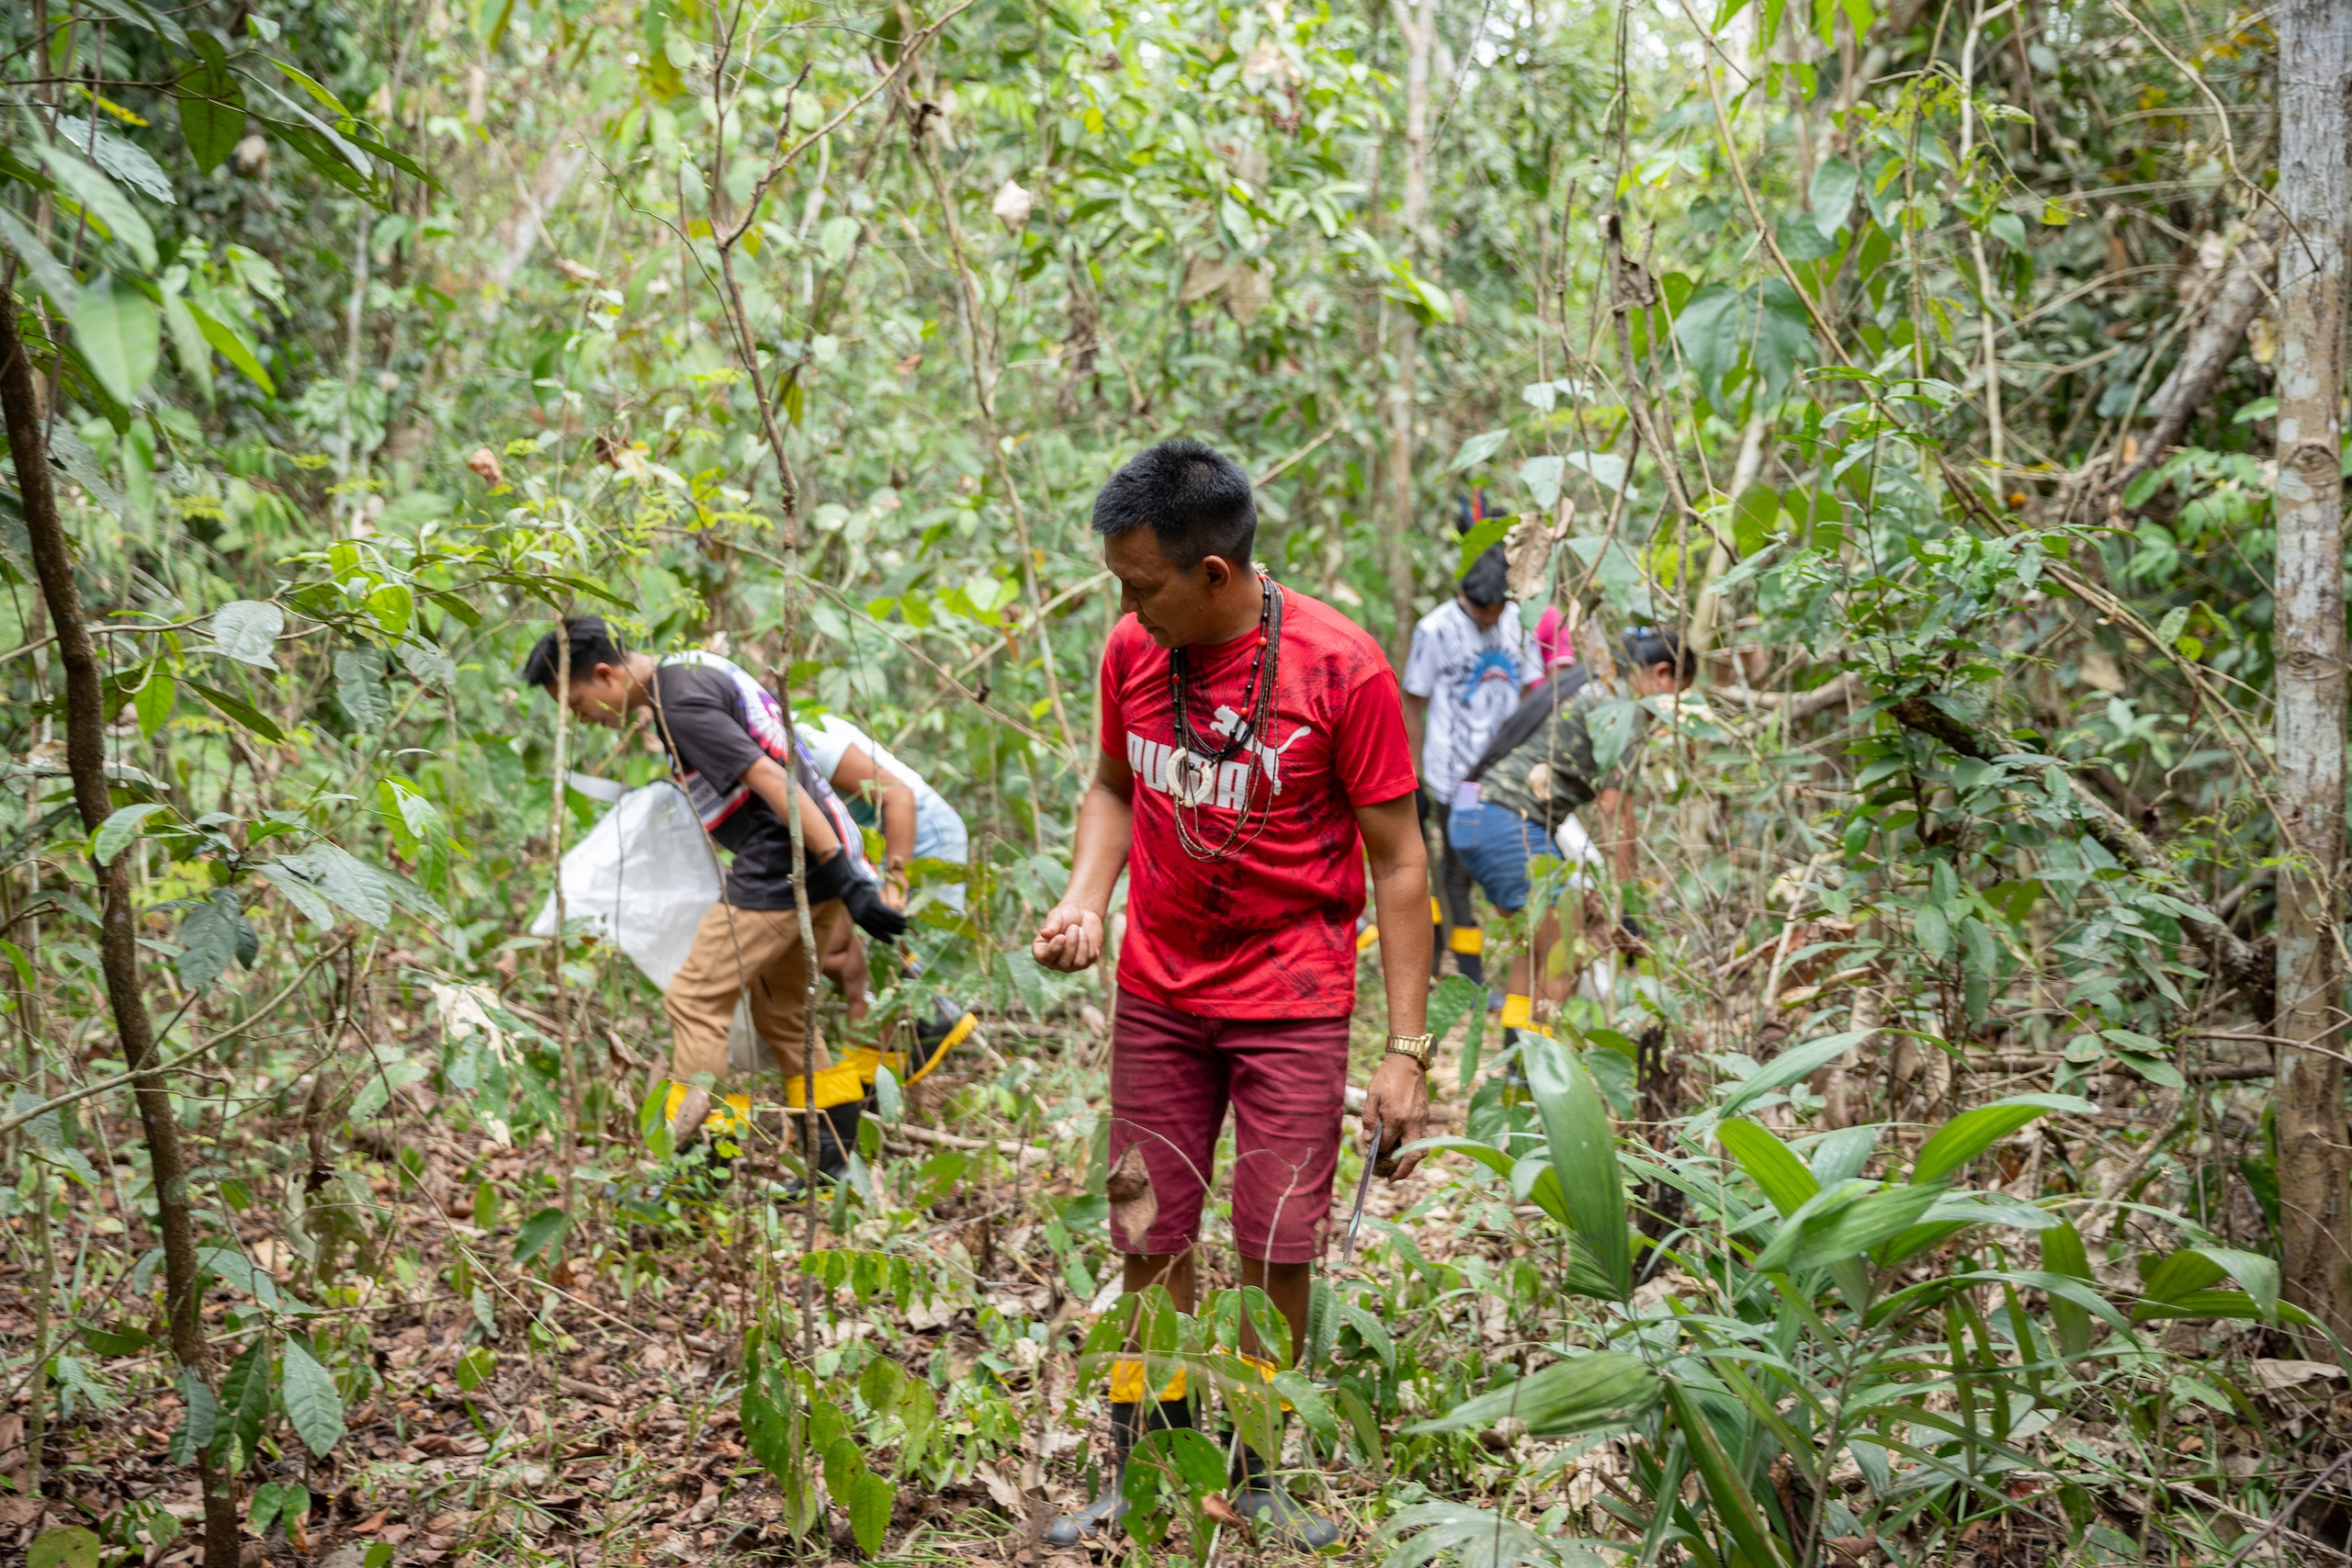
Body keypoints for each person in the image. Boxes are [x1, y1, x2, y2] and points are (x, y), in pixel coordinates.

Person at [1031, 439, 1433, 1551]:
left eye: (1139, 581)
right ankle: (1144, 1471)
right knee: (1144, 1228)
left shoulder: (1340, 671)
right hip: (1158, 989)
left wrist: (1407, 1049)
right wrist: (1085, 900)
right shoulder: (1132, 651)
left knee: (1275, 1245)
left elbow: (1399, 861)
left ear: (1214, 575)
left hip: (1291, 998)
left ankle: (1254, 1479)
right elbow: (1113, 785)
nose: (1125, 603)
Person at [521, 618, 910, 1182]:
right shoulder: (687, 673)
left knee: (695, 999)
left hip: (790, 863)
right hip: (817, 855)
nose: (580, 718)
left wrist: (842, 872)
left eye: (577, 702)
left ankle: (695, 1170)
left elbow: (774, 780)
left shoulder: (680, 702)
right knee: (783, 1015)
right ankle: (834, 1170)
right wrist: (840, 866)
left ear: (604, 674)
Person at [1445, 625, 1692, 1046]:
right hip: (1506, 823)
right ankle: (1532, 1076)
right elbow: (1615, 812)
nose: (1670, 710)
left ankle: (1516, 1074)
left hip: (1471, 814)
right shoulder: (1619, 708)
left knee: (1536, 948)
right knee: (1564, 957)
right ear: (1662, 675)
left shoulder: (1584, 681)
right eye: (1678, 695)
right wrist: (1626, 906)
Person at [794, 711, 977, 1086]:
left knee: (864, 974)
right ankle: (913, 998)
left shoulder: (806, 736)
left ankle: (866, 1086)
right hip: (860, 848)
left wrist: (896, 886)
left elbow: (898, 795)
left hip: (918, 834)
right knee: (827, 952)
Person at [1400, 501, 1541, 989]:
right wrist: (1413, 776)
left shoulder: (1518, 623)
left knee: (1498, 868)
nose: (1489, 618)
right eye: (1481, 611)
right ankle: (1472, 973)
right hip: (1457, 779)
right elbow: (1413, 702)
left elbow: (1534, 695)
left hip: (1507, 777)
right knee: (1459, 868)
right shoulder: (1435, 629)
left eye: (1496, 609)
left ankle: (1464, 957)